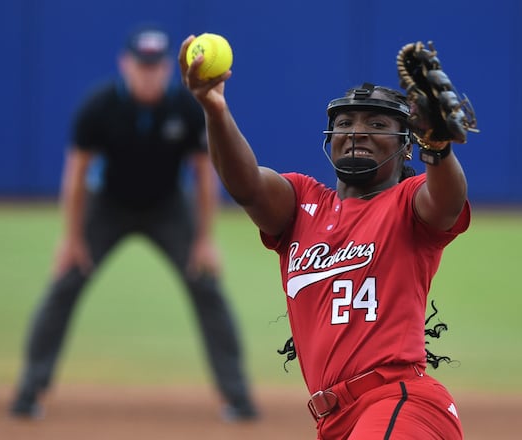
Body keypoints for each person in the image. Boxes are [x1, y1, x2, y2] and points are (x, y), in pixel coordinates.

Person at [178, 35, 472, 439]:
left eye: (378, 124)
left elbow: (446, 202)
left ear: (407, 146)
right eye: (345, 123)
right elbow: (245, 185)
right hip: (335, 420)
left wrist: (439, 151)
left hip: (400, 405)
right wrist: (214, 108)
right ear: (329, 138)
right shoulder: (300, 202)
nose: (357, 131)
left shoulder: (408, 203)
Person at [9, 25, 258, 422]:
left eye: (157, 66)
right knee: (65, 282)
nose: (149, 73)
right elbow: (75, 175)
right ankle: (28, 391)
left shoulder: (183, 107)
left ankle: (239, 397)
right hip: (108, 204)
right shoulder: (99, 106)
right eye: (142, 65)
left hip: (169, 207)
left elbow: (203, 174)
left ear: (165, 68)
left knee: (205, 284)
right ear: (126, 65)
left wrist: (205, 239)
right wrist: (71, 238)